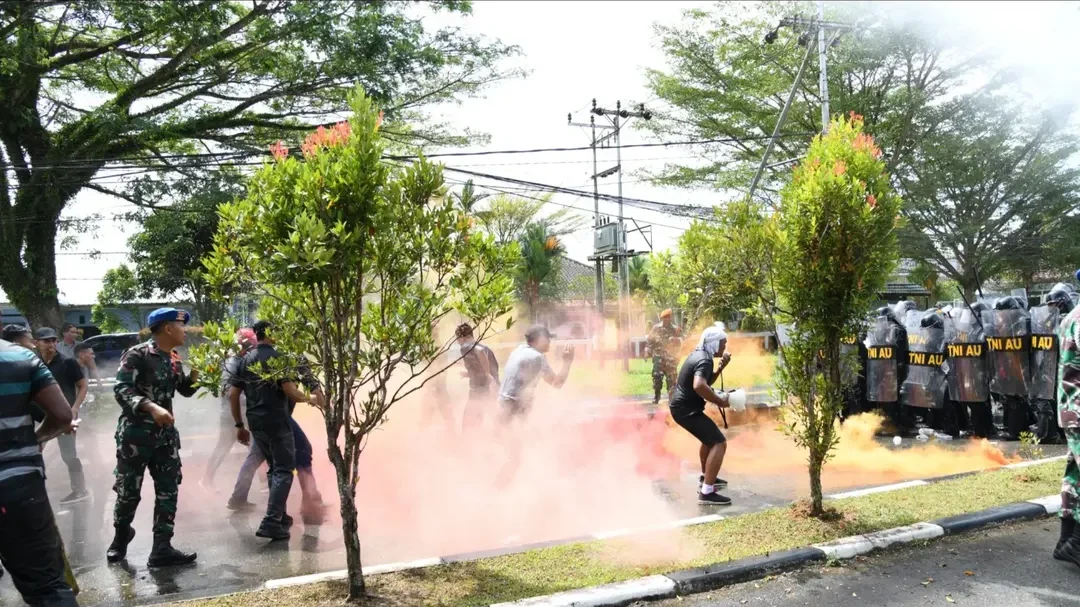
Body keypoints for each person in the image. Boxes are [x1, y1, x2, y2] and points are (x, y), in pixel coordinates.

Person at [108, 308, 199, 567]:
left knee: (168, 491)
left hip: (165, 438)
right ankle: (120, 537)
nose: (185, 330)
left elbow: (184, 390)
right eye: (181, 325)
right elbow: (121, 389)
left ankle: (161, 548)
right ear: (167, 328)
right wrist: (151, 407)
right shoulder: (137, 354)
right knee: (128, 492)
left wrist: (196, 374)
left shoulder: (173, 359)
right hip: (135, 437)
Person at [0, 337, 81, 606]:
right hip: (18, 483)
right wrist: (34, 441)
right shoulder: (19, 357)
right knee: (47, 587)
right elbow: (63, 415)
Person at [228, 320, 313, 541]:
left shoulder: (245, 360)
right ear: (271, 333)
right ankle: (271, 521)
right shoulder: (278, 358)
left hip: (255, 422)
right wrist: (312, 398)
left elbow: (233, 394)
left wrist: (239, 425)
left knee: (274, 467)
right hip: (276, 420)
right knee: (284, 470)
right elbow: (290, 390)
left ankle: (280, 516)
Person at [229, 356, 329, 523]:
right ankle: (308, 503)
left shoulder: (252, 358)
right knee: (301, 452)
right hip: (279, 418)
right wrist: (318, 400)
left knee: (258, 457)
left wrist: (239, 424)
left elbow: (233, 393)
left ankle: (240, 499)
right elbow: (301, 388)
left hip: (258, 418)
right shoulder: (290, 357)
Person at [668, 324, 733, 506]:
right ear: (714, 343)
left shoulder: (700, 354)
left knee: (709, 440)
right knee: (719, 443)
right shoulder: (704, 359)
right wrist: (720, 401)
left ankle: (707, 477)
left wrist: (720, 368)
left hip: (683, 408)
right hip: (685, 410)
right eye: (722, 343)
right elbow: (699, 385)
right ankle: (707, 492)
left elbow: (705, 381)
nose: (724, 347)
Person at [35, 328, 90, 505]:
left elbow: (82, 385)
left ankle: (80, 490)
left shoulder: (67, 362)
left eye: (53, 340)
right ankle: (35, 491)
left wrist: (74, 408)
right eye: (46, 341)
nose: (50, 344)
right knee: (34, 452)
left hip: (64, 416)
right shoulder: (34, 362)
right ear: (37, 343)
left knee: (69, 454)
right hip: (39, 416)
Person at [202, 328, 257, 493]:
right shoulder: (234, 363)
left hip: (238, 413)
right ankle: (206, 481)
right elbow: (231, 392)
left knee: (253, 448)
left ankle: (262, 483)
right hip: (233, 415)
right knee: (226, 447)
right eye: (251, 345)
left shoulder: (237, 360)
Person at [1052, 271, 1080, 568]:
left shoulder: (1071, 316)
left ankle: (1066, 542)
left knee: (1074, 476)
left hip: (1071, 408)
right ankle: (1076, 544)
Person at [497, 325, 574, 424]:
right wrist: (567, 362)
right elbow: (557, 383)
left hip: (502, 401)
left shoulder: (518, 350)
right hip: (515, 405)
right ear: (540, 339)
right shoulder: (537, 357)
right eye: (547, 338)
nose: (549, 342)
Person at [455, 323, 500, 432]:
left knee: (468, 424)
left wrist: (487, 375)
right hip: (489, 388)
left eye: (457, 339)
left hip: (481, 390)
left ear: (462, 337)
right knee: (495, 419)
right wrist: (468, 374)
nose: (457, 342)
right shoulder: (486, 348)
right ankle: (509, 437)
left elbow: (479, 351)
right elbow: (481, 369)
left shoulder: (466, 346)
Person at [646, 309, 681, 405]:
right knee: (657, 378)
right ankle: (657, 396)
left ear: (671, 318)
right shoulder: (656, 328)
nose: (667, 319)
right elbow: (649, 341)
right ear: (662, 318)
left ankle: (671, 399)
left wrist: (676, 340)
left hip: (671, 360)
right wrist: (647, 350)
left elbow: (682, 342)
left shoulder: (676, 329)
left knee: (671, 380)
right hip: (658, 359)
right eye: (665, 317)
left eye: (668, 317)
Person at [57, 323, 99, 388]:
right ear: (64, 333)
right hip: (65, 380)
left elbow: (91, 363)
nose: (75, 335)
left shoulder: (82, 346)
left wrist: (98, 380)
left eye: (76, 333)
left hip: (82, 378)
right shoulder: (57, 347)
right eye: (72, 332)